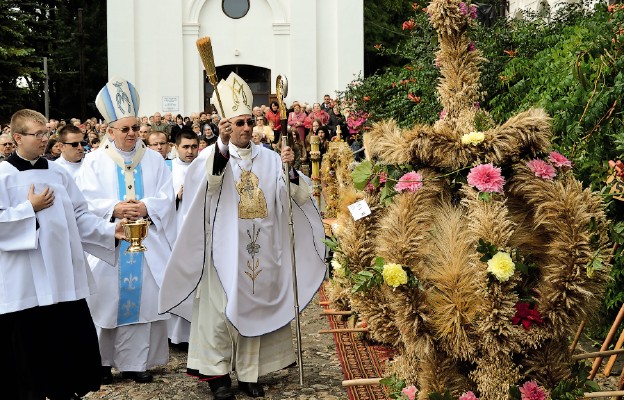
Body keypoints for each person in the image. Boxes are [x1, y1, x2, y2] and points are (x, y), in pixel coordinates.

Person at [159, 72, 326, 400]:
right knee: (219, 315)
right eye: (238, 123)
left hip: (259, 251)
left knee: (254, 310)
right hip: (221, 251)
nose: (246, 128)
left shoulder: (270, 158)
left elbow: (291, 197)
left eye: (249, 121)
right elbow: (208, 187)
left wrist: (290, 171)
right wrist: (220, 148)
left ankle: (251, 373)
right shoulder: (211, 157)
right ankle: (218, 374)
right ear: (226, 126)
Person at [0, 109, 125, 400]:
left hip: (61, 276)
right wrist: (28, 209)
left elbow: (80, 215)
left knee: (64, 339)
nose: (45, 140)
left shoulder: (57, 172)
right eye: (37, 134)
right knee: (27, 345)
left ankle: (63, 390)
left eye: (46, 134)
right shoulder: (3, 175)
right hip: (24, 280)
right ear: (17, 137)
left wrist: (109, 231)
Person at [76, 77, 177, 385]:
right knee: (104, 305)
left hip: (145, 243)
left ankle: (136, 363)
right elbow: (83, 200)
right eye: (126, 129)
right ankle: (102, 363)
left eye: (136, 128)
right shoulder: (94, 162)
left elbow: (166, 195)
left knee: (144, 304)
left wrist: (146, 206)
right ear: (110, 131)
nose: (133, 133)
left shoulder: (155, 160)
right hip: (110, 246)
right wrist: (114, 209)